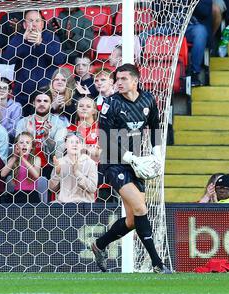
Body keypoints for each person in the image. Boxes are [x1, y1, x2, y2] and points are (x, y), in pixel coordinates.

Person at [92, 63, 171, 274]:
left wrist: (156, 153)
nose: (118, 82)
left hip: (135, 161)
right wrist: (129, 156)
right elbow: (103, 137)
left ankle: (99, 245)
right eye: (117, 79)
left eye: (123, 79)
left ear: (135, 80)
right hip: (113, 161)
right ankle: (158, 264)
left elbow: (155, 127)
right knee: (140, 208)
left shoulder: (148, 100)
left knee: (132, 220)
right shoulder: (111, 103)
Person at [1, 10, 66, 113]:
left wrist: (41, 43)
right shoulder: (17, 38)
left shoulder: (51, 38)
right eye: (30, 20)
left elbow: (59, 59)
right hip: (23, 95)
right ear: (24, 24)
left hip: (45, 96)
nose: (34, 24)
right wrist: (23, 40)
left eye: (37, 20)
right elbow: (6, 61)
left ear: (43, 24)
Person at [140, 0, 212, 87]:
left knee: (201, 31)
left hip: (189, 27)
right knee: (142, 36)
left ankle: (194, 73)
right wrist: (163, 2)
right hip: (168, 27)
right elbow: (155, 14)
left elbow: (205, 12)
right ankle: (138, 70)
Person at [49, 131, 98, 203]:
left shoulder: (90, 163)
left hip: (84, 204)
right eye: (71, 142)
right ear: (65, 145)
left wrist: (77, 173)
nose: (74, 145)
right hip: (64, 204)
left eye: (77, 142)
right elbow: (52, 189)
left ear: (82, 145)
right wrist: (57, 173)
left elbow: (93, 188)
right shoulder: (60, 162)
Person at [1, 132, 42, 203]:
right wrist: (14, 157)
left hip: (32, 195)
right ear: (16, 146)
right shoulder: (13, 159)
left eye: (27, 142)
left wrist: (22, 159)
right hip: (17, 194)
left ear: (32, 146)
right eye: (21, 142)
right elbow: (2, 174)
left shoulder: (36, 159)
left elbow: (36, 175)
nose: (24, 144)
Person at [68, 96, 100, 162]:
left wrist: (82, 148)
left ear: (94, 111)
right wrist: (88, 149)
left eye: (88, 106)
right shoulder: (70, 129)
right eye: (81, 106)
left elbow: (102, 153)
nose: (84, 108)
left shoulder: (101, 128)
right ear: (77, 109)